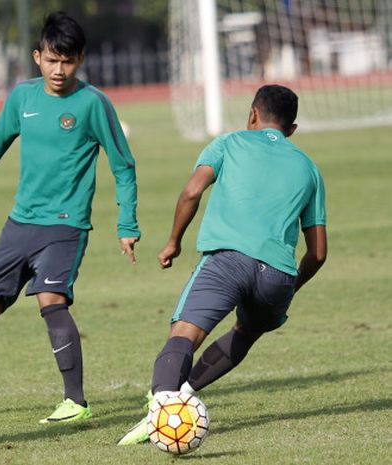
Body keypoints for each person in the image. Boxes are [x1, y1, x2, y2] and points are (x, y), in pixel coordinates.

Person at [0, 11, 140, 425]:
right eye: (52, 60)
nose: (59, 69)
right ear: (37, 57)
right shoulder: (22, 98)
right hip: (20, 224)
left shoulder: (92, 103)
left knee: (51, 299)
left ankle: (76, 402)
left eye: (67, 61)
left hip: (66, 226)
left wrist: (127, 225)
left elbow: (123, 166)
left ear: (80, 60)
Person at [117, 84, 327, 445]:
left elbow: (192, 192)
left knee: (183, 335)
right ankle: (183, 394)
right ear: (292, 130)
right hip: (277, 274)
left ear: (252, 115)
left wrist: (173, 242)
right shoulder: (309, 169)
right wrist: (289, 286)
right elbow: (319, 252)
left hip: (228, 260)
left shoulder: (229, 143)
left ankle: (163, 412)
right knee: (245, 332)